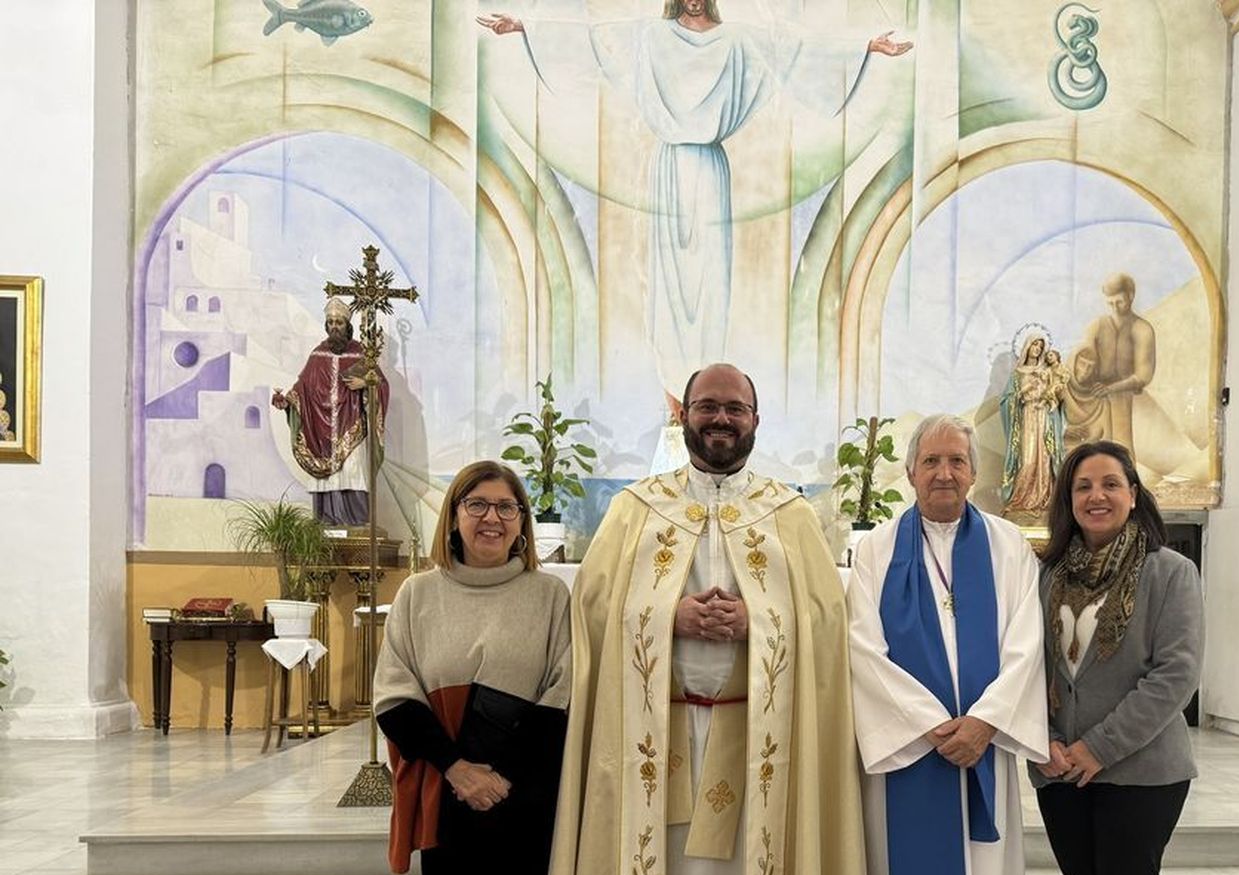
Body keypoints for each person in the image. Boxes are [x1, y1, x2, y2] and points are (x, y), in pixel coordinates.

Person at [536, 361, 873, 875]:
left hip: (761, 744)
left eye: (734, 409)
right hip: (656, 739)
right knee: (657, 874)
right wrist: (668, 615)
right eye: (708, 406)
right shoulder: (635, 510)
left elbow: (828, 623)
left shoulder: (790, 515)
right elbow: (594, 611)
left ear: (754, 420)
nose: (721, 419)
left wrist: (761, 619)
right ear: (683, 416)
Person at [479, 4, 910, 392]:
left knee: (709, 284)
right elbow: (592, 39)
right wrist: (525, 26)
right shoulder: (650, 36)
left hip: (709, 173)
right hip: (668, 172)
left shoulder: (737, 40)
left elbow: (796, 54)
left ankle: (704, 384)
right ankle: (673, 393)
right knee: (668, 288)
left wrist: (865, 46)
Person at [848, 414, 1048, 875]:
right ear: (910, 472)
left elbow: (1026, 645)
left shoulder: (1008, 546)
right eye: (931, 462)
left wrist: (983, 723)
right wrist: (931, 726)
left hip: (982, 749)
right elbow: (864, 650)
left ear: (974, 473)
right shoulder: (877, 550)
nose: (944, 474)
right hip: (911, 755)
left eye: (956, 461)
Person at [373, 460, 572, 875]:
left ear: (523, 522)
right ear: (454, 516)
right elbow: (395, 694)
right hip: (447, 789)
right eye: (477, 504)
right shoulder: (418, 594)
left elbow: (563, 692)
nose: (493, 518)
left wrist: (502, 775)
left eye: (507, 507)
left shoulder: (551, 597)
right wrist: (460, 770)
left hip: (524, 794)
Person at [1032, 439, 1202, 875]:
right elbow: (1028, 665)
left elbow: (1176, 675)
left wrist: (1096, 748)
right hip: (1060, 771)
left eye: (1110, 484)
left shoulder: (1169, 572)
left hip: (1143, 772)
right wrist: (1045, 740)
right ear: (1068, 499)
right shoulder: (1047, 574)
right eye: (1083, 486)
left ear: (1133, 495)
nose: (1096, 496)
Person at [271, 298, 390, 527]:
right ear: (326, 326)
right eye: (331, 322)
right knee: (327, 479)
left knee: (354, 472)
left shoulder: (362, 354)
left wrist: (366, 383)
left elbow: (382, 386)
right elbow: (301, 389)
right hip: (321, 433)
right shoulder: (318, 355)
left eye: (339, 322)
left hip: (352, 426)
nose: (335, 326)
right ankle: (327, 523)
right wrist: (287, 402)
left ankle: (357, 524)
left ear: (348, 325)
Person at [1080, 273, 1155, 458]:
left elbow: (1143, 375)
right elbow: (1082, 360)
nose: (1114, 307)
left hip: (1123, 395)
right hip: (1094, 396)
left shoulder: (1142, 329)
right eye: (1110, 303)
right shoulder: (1096, 326)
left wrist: (1111, 388)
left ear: (1131, 296)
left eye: (1119, 302)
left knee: (1123, 449)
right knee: (1093, 449)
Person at [999, 335, 1061, 519]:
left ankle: (1045, 502)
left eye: (1040, 346)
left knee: (1044, 460)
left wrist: (1052, 396)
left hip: (1044, 417)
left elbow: (1057, 394)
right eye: (1034, 344)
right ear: (1027, 347)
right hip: (1026, 417)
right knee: (1026, 460)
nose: (1037, 348)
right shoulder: (1017, 373)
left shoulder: (1047, 371)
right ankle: (1021, 502)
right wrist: (1025, 390)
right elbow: (1007, 400)